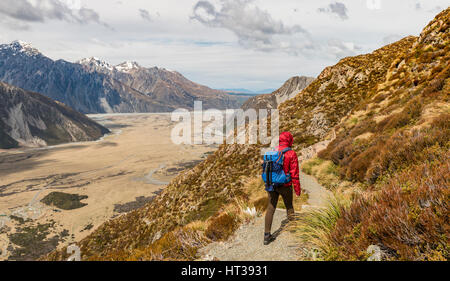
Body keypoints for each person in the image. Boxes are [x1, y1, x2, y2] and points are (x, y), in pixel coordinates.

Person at [264, 131, 301, 245]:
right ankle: (294, 231)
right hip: (285, 185)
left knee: (271, 208)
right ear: (290, 140)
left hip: (271, 185)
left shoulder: (272, 151)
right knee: (289, 206)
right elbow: (294, 174)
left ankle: (266, 236)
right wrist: (297, 189)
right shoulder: (291, 153)